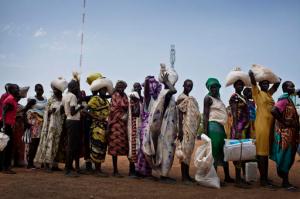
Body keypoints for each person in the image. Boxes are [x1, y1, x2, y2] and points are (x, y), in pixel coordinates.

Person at [143, 64, 178, 184]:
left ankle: (164, 174)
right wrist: (167, 81)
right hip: (165, 130)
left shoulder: (168, 94)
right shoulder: (166, 93)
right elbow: (173, 90)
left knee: (167, 151)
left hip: (169, 128)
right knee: (166, 151)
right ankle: (163, 176)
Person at [249, 70, 280, 188]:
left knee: (265, 154)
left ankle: (265, 178)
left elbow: (276, 85)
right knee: (262, 154)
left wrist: (275, 79)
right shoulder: (257, 94)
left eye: (268, 83)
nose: (266, 85)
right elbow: (253, 83)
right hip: (262, 126)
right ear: (260, 85)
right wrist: (252, 76)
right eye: (264, 83)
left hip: (270, 126)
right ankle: (263, 180)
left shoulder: (269, 95)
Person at [203, 78, 234, 184]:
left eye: (215, 86)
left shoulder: (219, 99)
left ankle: (227, 177)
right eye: (211, 87)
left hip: (221, 128)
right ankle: (213, 178)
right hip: (213, 127)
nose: (214, 89)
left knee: (224, 152)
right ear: (209, 88)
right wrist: (205, 133)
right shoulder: (208, 98)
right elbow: (205, 116)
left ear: (218, 87)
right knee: (215, 153)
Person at [270, 81, 299, 192]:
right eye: (291, 86)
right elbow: (274, 110)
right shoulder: (283, 99)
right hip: (286, 134)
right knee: (286, 157)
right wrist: (284, 122)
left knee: (289, 157)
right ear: (285, 88)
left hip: (291, 134)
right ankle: (285, 183)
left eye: (293, 86)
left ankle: (285, 181)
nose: (293, 87)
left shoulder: (289, 99)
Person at [34, 78, 67, 172]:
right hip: (51, 126)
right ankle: (47, 165)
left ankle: (55, 165)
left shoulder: (64, 99)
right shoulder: (51, 100)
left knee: (57, 144)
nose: (55, 91)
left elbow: (64, 112)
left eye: (56, 90)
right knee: (50, 144)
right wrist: (49, 112)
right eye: (54, 90)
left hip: (59, 125)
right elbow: (45, 112)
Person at [86, 76, 113, 177]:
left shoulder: (106, 101)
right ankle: (97, 170)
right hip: (96, 126)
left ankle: (99, 169)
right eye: (103, 89)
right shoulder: (95, 99)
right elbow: (84, 111)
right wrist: (96, 118)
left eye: (105, 89)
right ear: (98, 90)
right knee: (97, 147)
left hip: (105, 126)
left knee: (102, 147)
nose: (104, 91)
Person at [136, 76, 161, 178]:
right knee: (144, 150)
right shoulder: (148, 99)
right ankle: (142, 172)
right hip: (146, 127)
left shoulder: (157, 100)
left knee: (151, 149)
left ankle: (147, 171)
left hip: (153, 127)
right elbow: (146, 92)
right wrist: (146, 81)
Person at [176, 79, 200, 184]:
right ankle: (184, 177)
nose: (189, 87)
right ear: (183, 85)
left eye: (191, 86)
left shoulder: (191, 99)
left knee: (189, 152)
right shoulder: (181, 98)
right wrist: (180, 130)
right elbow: (180, 113)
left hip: (191, 129)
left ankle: (187, 175)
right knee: (185, 152)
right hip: (185, 128)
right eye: (187, 85)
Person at [229, 80, 251, 188]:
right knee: (238, 153)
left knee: (243, 153)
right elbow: (234, 113)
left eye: (242, 84)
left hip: (245, 128)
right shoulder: (234, 97)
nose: (240, 86)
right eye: (238, 84)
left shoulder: (242, 97)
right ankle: (238, 180)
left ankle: (241, 178)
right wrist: (237, 129)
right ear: (234, 86)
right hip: (238, 128)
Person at [62, 77, 84, 177]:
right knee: (71, 146)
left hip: (68, 121)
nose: (77, 89)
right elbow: (73, 111)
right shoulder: (73, 97)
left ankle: (69, 167)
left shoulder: (65, 96)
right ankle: (68, 169)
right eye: (77, 88)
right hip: (73, 122)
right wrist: (80, 107)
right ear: (74, 88)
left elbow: (65, 110)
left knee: (71, 145)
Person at [108, 80, 129, 177]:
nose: (121, 88)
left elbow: (127, 106)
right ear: (117, 87)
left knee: (123, 145)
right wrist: (124, 108)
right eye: (119, 87)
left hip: (123, 124)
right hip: (114, 123)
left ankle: (130, 169)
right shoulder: (114, 95)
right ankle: (115, 170)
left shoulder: (125, 95)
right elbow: (113, 108)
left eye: (123, 87)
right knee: (114, 148)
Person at [25, 84, 47, 169]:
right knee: (33, 143)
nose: (40, 91)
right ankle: (29, 163)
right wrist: (26, 122)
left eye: (41, 89)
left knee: (39, 143)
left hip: (42, 123)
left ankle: (34, 162)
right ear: (35, 90)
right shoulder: (32, 99)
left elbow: (46, 109)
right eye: (38, 89)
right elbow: (26, 110)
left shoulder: (45, 99)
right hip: (34, 123)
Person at [0, 84, 20, 174]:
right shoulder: (10, 99)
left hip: (8, 124)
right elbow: (3, 112)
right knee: (7, 146)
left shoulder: (13, 99)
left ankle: (4, 166)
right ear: (11, 90)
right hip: (6, 125)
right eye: (16, 88)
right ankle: (5, 168)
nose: (18, 89)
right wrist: (4, 126)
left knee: (6, 146)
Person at [127, 91, 141, 177]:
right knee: (133, 150)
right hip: (133, 129)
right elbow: (136, 113)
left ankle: (136, 170)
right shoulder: (132, 103)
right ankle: (131, 171)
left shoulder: (138, 103)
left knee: (137, 150)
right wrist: (136, 102)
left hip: (137, 129)